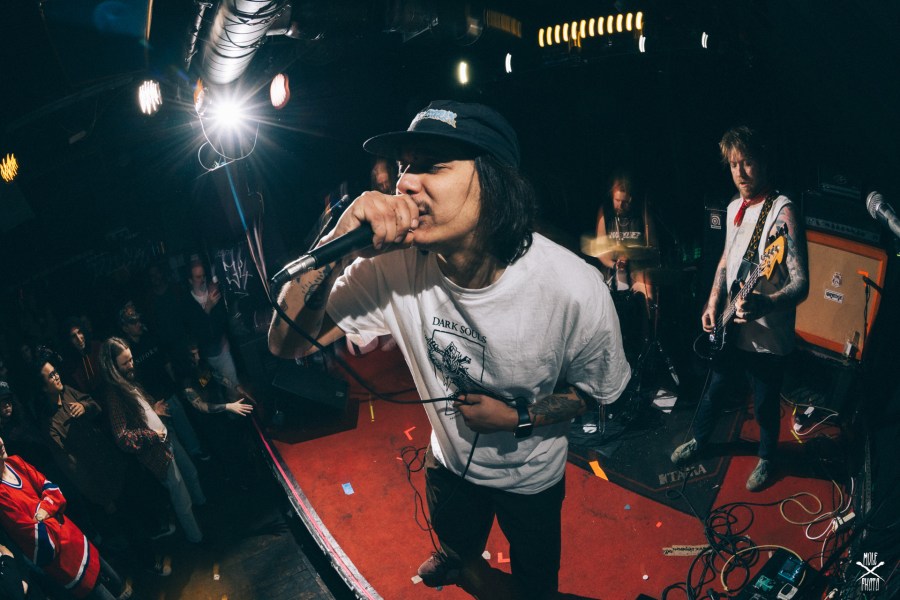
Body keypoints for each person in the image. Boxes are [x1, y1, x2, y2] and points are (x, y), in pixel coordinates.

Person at [268, 100, 630, 598]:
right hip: (449, 463)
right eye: (405, 166)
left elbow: (597, 392)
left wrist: (517, 417)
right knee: (456, 544)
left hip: (532, 479)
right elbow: (284, 341)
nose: (404, 184)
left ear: (495, 182)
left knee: (536, 582)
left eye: (432, 165)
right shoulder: (391, 269)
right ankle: (460, 562)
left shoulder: (574, 287)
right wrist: (342, 239)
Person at [670, 125, 809, 491]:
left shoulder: (782, 212)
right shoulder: (734, 206)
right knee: (715, 390)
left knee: (764, 404)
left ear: (763, 161)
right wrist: (713, 302)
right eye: (733, 165)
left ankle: (767, 458)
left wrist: (766, 303)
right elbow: (725, 260)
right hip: (731, 325)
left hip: (767, 338)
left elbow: (801, 283)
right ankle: (700, 440)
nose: (740, 172)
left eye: (747, 162)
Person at [98, 337, 206, 544]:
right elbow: (122, 437)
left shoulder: (128, 382)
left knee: (191, 473)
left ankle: (205, 511)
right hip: (157, 451)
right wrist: (152, 435)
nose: (131, 365)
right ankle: (197, 539)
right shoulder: (114, 395)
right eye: (125, 363)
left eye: (131, 359)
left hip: (167, 437)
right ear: (113, 368)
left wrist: (154, 410)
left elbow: (141, 410)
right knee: (181, 498)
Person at [0, 437, 131, 599]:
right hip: (67, 565)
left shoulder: (15, 462)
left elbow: (54, 490)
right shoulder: (2, 497)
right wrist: (53, 509)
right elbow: (43, 543)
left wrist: (43, 513)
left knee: (120, 587)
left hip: (79, 541)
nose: (0, 442)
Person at [37, 359, 125, 515]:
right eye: (51, 376)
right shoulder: (51, 425)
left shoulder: (68, 392)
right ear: (43, 388)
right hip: (101, 481)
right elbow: (73, 468)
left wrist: (85, 407)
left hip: (114, 462)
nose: (57, 376)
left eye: (55, 372)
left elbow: (96, 407)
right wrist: (101, 497)